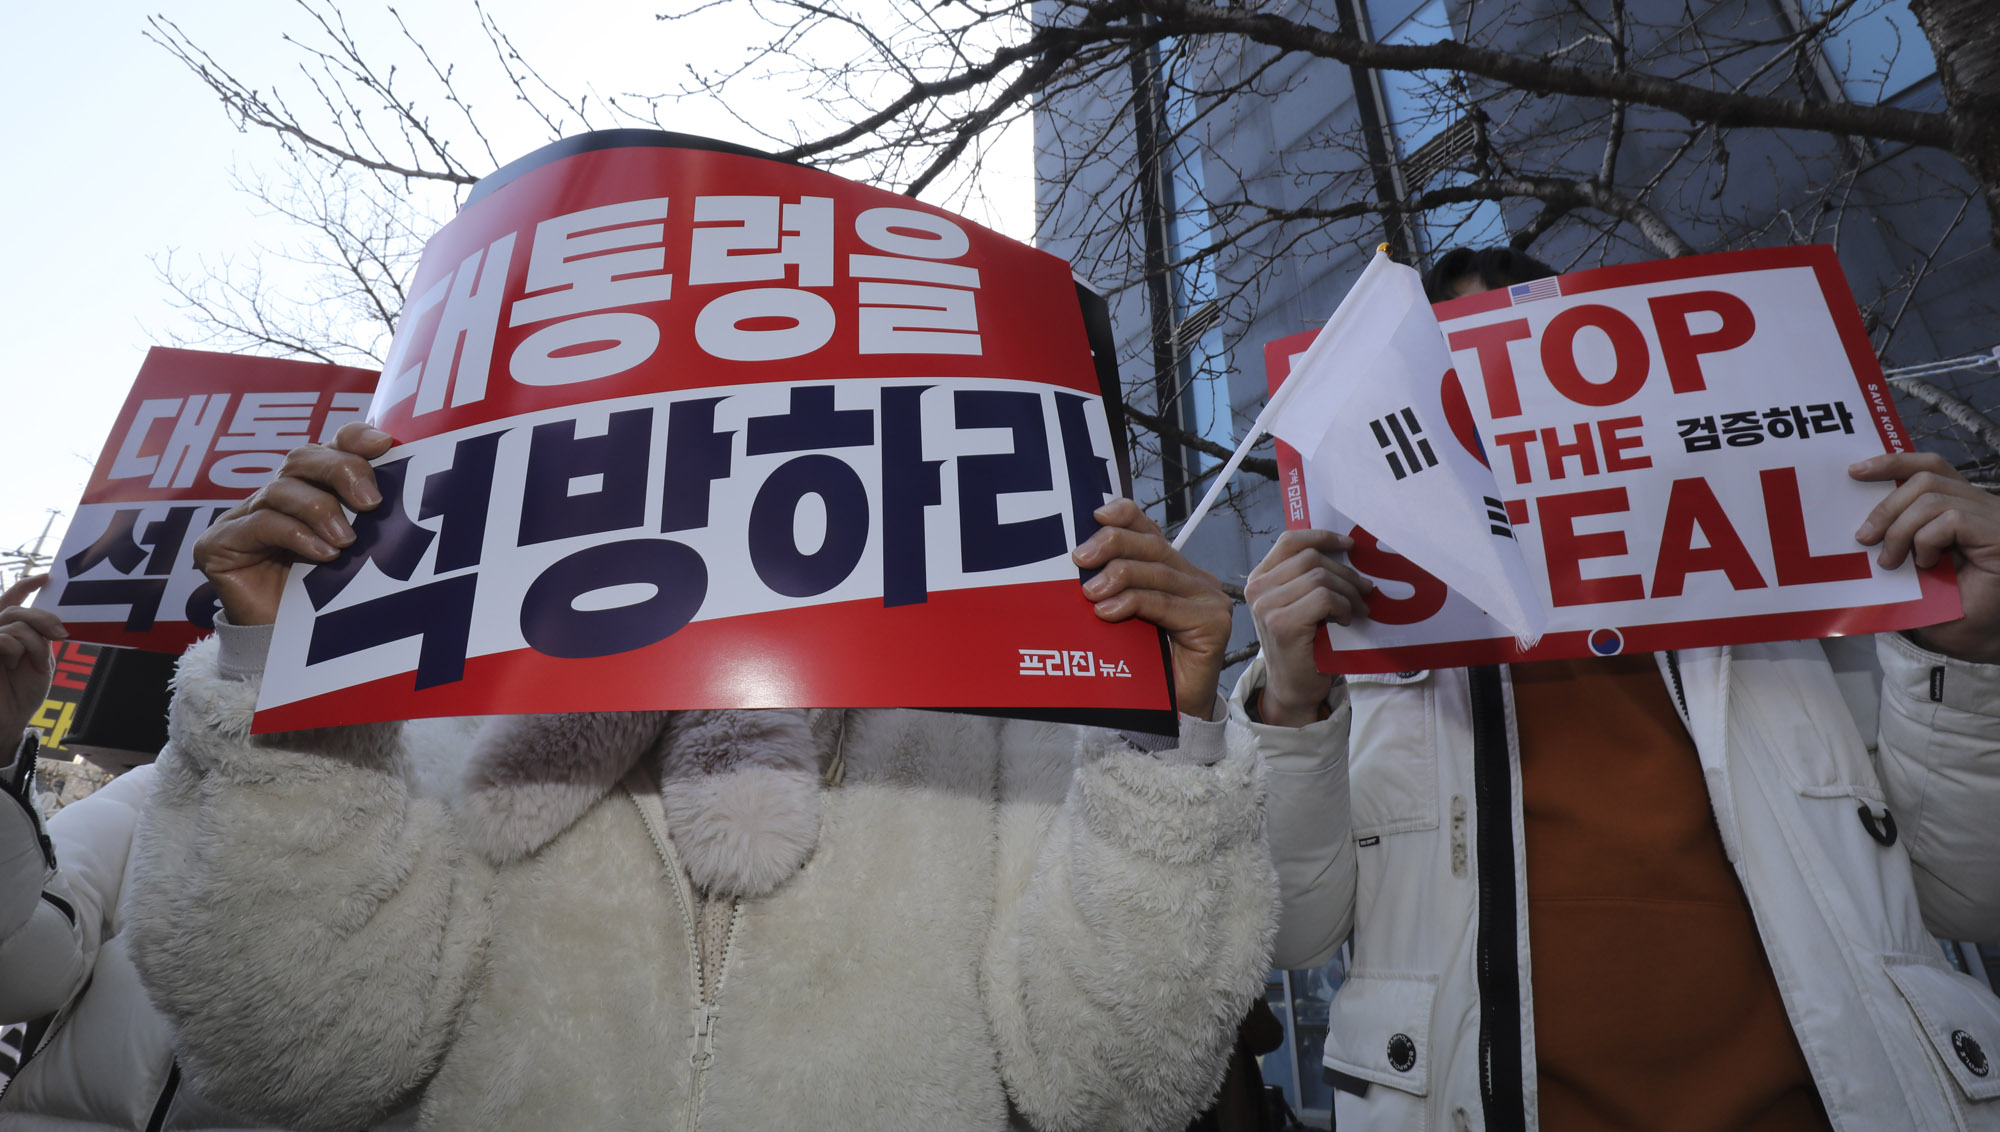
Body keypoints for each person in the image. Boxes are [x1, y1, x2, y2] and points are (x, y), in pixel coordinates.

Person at [124, 422, 1278, 1131]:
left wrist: (1163, 743)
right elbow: (291, 1059)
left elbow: (1113, 1088)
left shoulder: (999, 715)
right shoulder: (460, 684)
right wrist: (279, 671)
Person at [1237, 247, 2000, 1130]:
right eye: (1465, 378)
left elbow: (1966, 893)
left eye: (1531, 365)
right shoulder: (1362, 656)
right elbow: (1294, 933)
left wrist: (1969, 649)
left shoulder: (1796, 609)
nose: (1505, 416)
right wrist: (1290, 708)